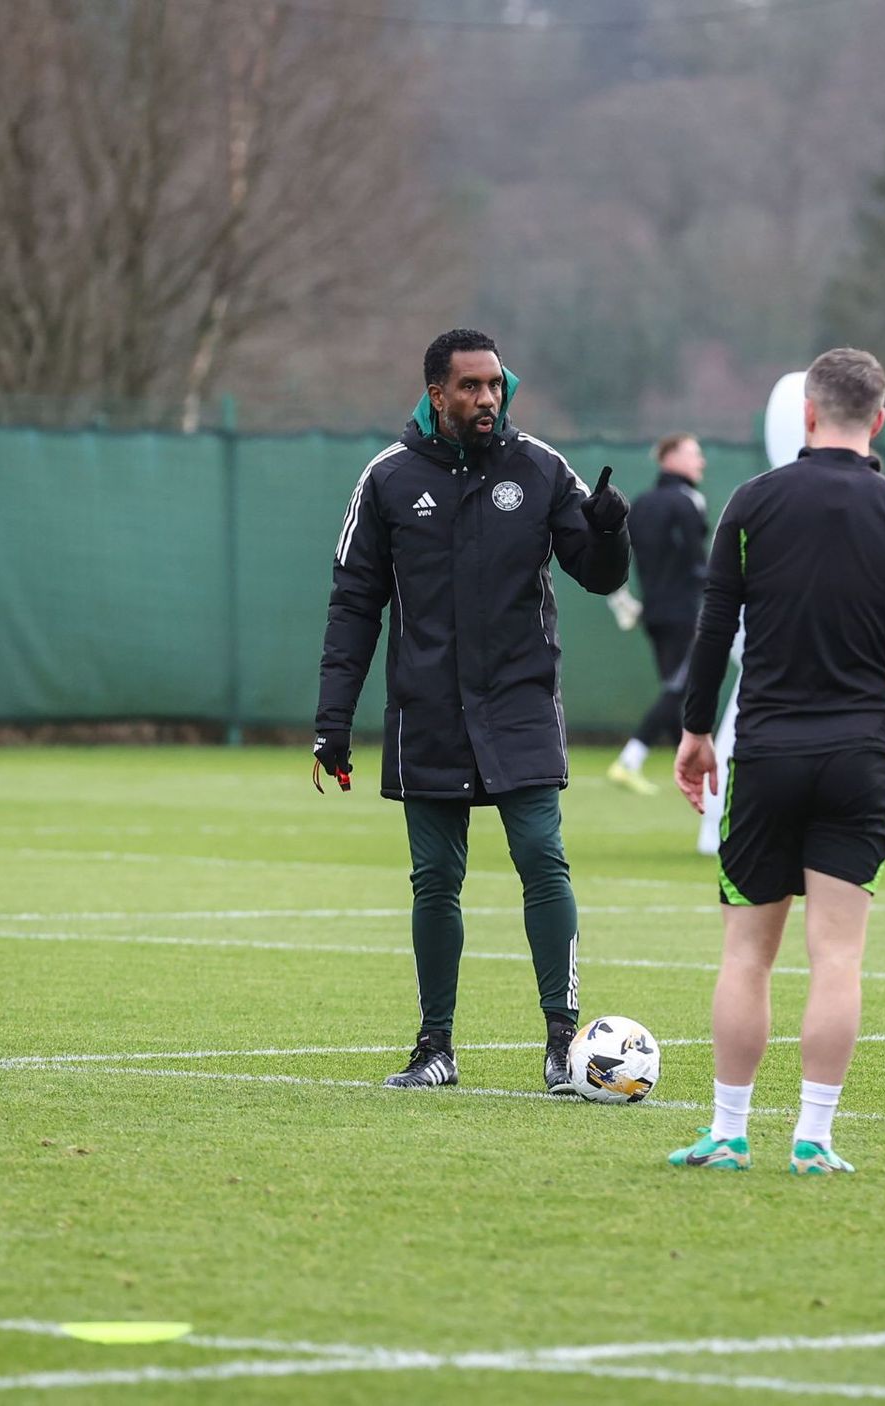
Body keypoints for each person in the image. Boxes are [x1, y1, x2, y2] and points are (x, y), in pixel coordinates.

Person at [314, 328, 631, 1094]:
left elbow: (595, 573)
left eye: (495, 385)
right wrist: (332, 721)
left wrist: (613, 529)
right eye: (471, 387)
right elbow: (354, 605)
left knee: (542, 859)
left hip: (520, 703)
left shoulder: (542, 468)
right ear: (436, 395)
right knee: (434, 880)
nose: (488, 398)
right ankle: (435, 1048)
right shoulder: (387, 479)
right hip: (427, 710)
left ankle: (563, 1043)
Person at [667, 347, 885, 1174]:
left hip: (766, 754)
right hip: (858, 760)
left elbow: (712, 629)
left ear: (806, 414)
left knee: (745, 954)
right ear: (880, 419)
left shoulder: (751, 504)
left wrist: (695, 734)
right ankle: (815, 1139)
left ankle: (727, 1132)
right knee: (837, 957)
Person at [607, 433, 710, 796]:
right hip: (686, 613)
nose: (702, 461)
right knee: (677, 689)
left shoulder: (641, 503)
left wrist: (621, 599)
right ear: (672, 457)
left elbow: (618, 559)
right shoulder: (688, 501)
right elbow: (698, 564)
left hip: (654, 614)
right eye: (694, 454)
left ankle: (692, 773)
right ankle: (628, 760)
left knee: (677, 692)